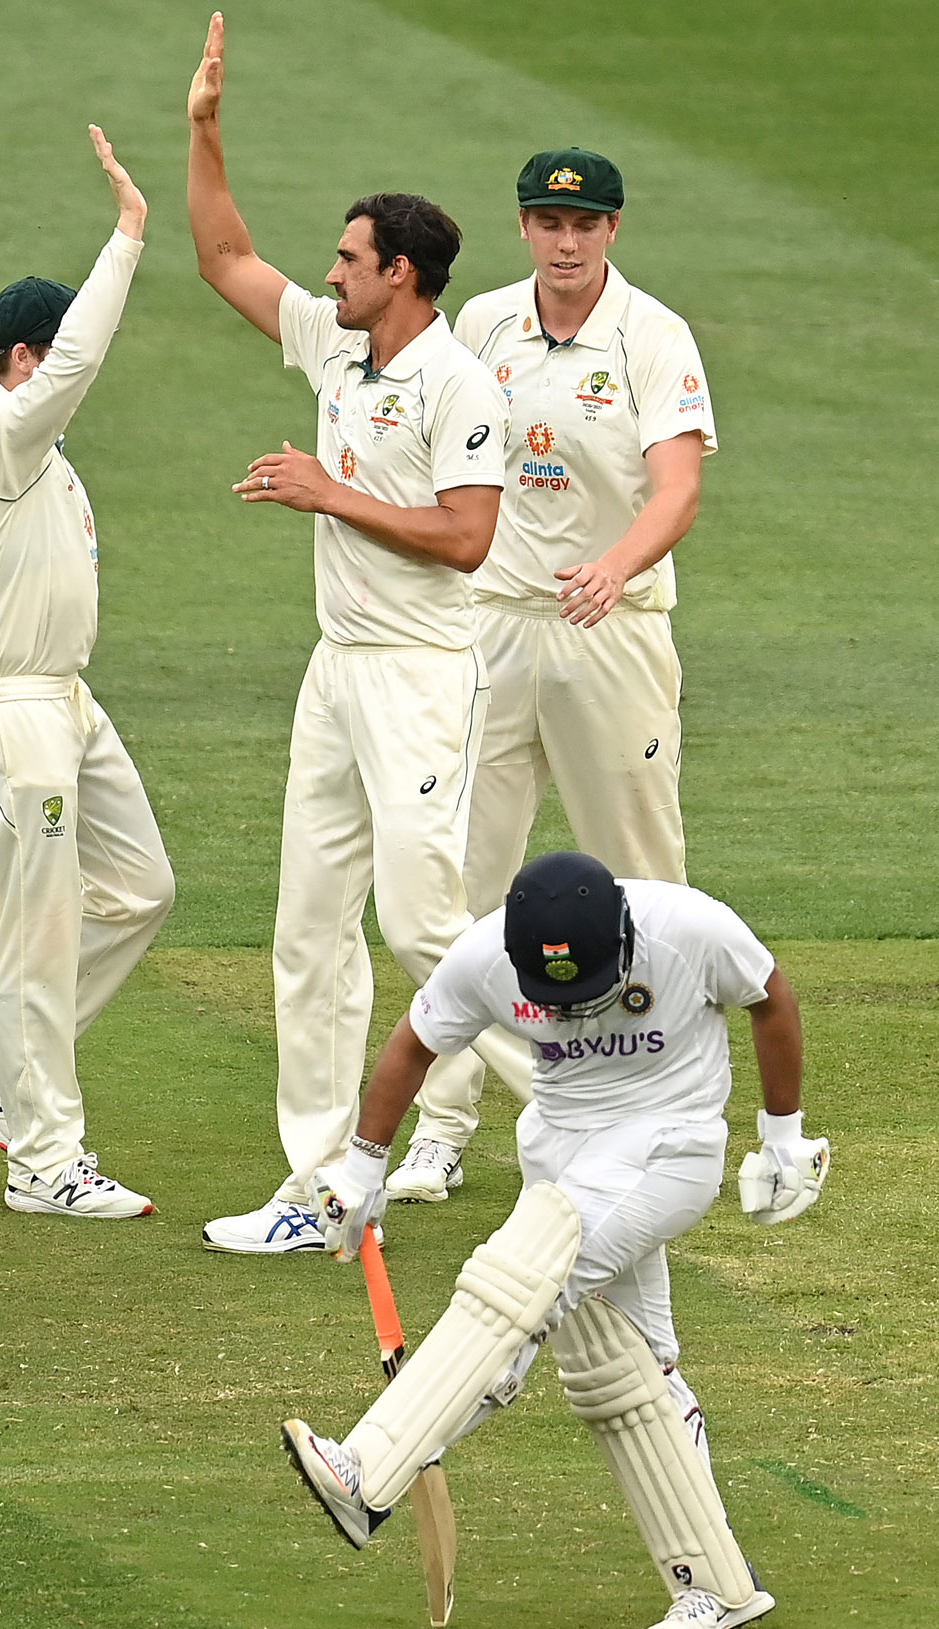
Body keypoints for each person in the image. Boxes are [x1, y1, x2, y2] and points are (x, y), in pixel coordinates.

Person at [283, 851, 830, 1629]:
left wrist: (782, 1137)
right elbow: (415, 1042)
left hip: (670, 1148)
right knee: (625, 1369)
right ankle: (713, 1585)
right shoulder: (486, 952)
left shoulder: (690, 927)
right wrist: (363, 1168)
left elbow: (769, 996)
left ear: (621, 934)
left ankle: (369, 1470)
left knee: (525, 1278)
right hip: (564, 1154)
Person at [185, 12, 534, 1254]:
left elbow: (468, 538)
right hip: (336, 672)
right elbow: (226, 256)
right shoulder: (337, 349)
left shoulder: (458, 385)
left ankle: (590, 1112)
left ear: (405, 276)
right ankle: (324, 1181)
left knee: (426, 929)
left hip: (424, 677)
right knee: (308, 926)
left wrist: (330, 493)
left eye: (348, 260)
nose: (329, 274)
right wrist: (206, 129)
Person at [388, 147, 717, 1205]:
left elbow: (676, 490)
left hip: (610, 634)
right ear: (524, 228)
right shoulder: (480, 324)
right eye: (546, 223)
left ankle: (669, 1099)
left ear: (612, 231)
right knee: (461, 883)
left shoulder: (653, 336)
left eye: (584, 226)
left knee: (642, 877)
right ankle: (443, 1124)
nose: (565, 242)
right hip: (491, 630)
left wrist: (614, 569)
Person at [0, 127, 175, 1218]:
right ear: (25, 359)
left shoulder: (42, 458)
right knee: (39, 932)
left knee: (141, 889)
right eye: (58, 343)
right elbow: (78, 362)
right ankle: (44, 1162)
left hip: (67, 701)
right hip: (9, 709)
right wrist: (127, 238)